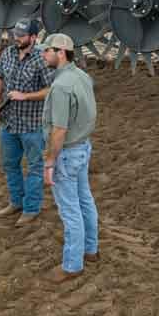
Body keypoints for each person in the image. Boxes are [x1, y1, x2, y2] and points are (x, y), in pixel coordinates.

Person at [39, 33, 99, 283]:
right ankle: (91, 249)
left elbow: (59, 129)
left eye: (47, 51)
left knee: (70, 209)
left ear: (61, 52)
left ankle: (72, 266)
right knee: (85, 199)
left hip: (68, 152)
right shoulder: (81, 76)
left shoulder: (61, 86)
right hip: (84, 146)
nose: (43, 55)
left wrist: (50, 162)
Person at [0, 18, 55, 227]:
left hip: (32, 125)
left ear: (34, 37)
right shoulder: (8, 53)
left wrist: (25, 96)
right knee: (10, 165)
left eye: (21, 35)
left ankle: (31, 208)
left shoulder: (42, 58)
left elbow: (50, 90)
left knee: (35, 167)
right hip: (8, 123)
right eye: (15, 34)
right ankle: (16, 202)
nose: (16, 38)